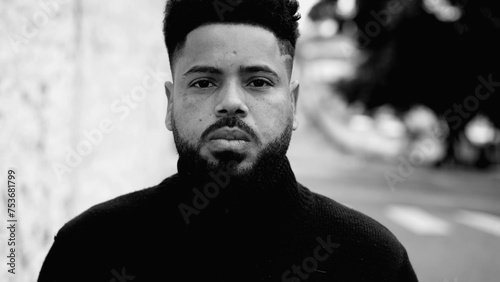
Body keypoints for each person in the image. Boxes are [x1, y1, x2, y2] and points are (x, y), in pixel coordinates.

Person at [38, 0, 419, 281]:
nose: (232, 103)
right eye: (204, 82)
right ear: (170, 105)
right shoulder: (88, 251)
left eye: (258, 82)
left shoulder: (372, 261)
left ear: (293, 103)